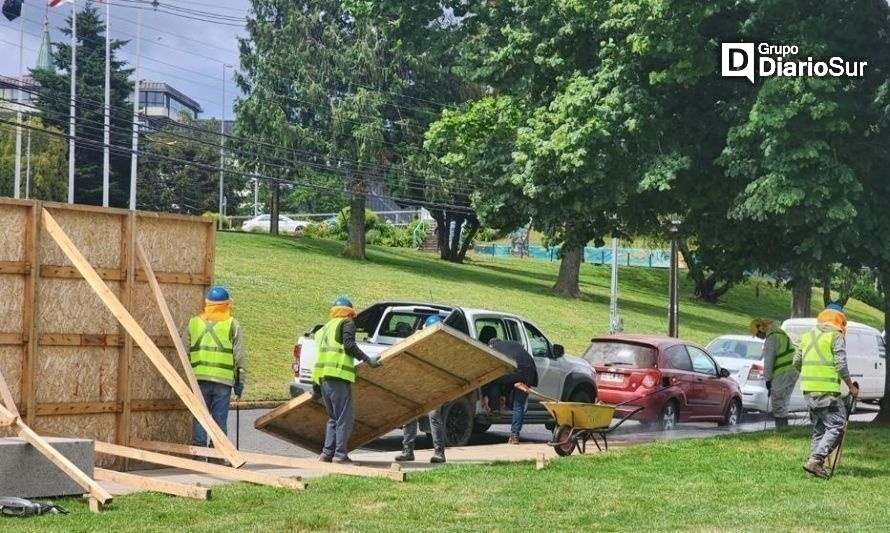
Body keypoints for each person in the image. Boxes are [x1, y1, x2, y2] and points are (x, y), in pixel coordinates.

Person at [312, 297, 382, 464]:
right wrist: (367, 360)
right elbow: (349, 345)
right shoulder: (347, 323)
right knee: (345, 418)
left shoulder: (324, 329)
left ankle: (326, 454)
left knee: (333, 418)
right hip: (338, 376)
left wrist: (315, 385)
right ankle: (340, 455)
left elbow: (320, 357)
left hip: (324, 379)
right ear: (350, 312)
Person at [794, 303, 859, 479]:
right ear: (840, 320)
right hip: (827, 393)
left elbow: (796, 362)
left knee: (820, 429)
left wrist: (810, 377)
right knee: (837, 425)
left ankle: (814, 465)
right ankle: (816, 460)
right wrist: (851, 386)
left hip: (809, 392)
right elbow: (840, 364)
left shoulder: (806, 336)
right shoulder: (836, 336)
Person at [185, 286, 245, 448]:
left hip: (199, 379)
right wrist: (240, 383)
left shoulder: (194, 323)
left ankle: (199, 452)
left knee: (200, 417)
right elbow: (239, 357)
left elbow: (186, 351)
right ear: (226, 305)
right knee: (219, 419)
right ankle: (217, 453)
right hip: (223, 381)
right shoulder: (233, 324)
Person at [395, 315, 447, 463]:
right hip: (417, 384)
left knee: (434, 417)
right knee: (411, 416)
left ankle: (439, 452)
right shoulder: (418, 339)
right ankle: (408, 451)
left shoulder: (443, 345)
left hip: (433, 385)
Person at [749, 318, 799, 429]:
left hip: (783, 371)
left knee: (777, 400)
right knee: (784, 400)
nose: (759, 337)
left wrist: (767, 379)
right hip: (792, 370)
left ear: (761, 329)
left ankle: (781, 427)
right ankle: (783, 426)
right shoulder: (780, 333)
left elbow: (768, 361)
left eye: (757, 334)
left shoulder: (771, 339)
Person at [489, 339, 538, 444]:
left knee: (494, 380)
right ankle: (515, 436)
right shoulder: (512, 344)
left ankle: (495, 408)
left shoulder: (495, 349)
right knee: (519, 405)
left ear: (492, 345)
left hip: (515, 369)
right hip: (529, 372)